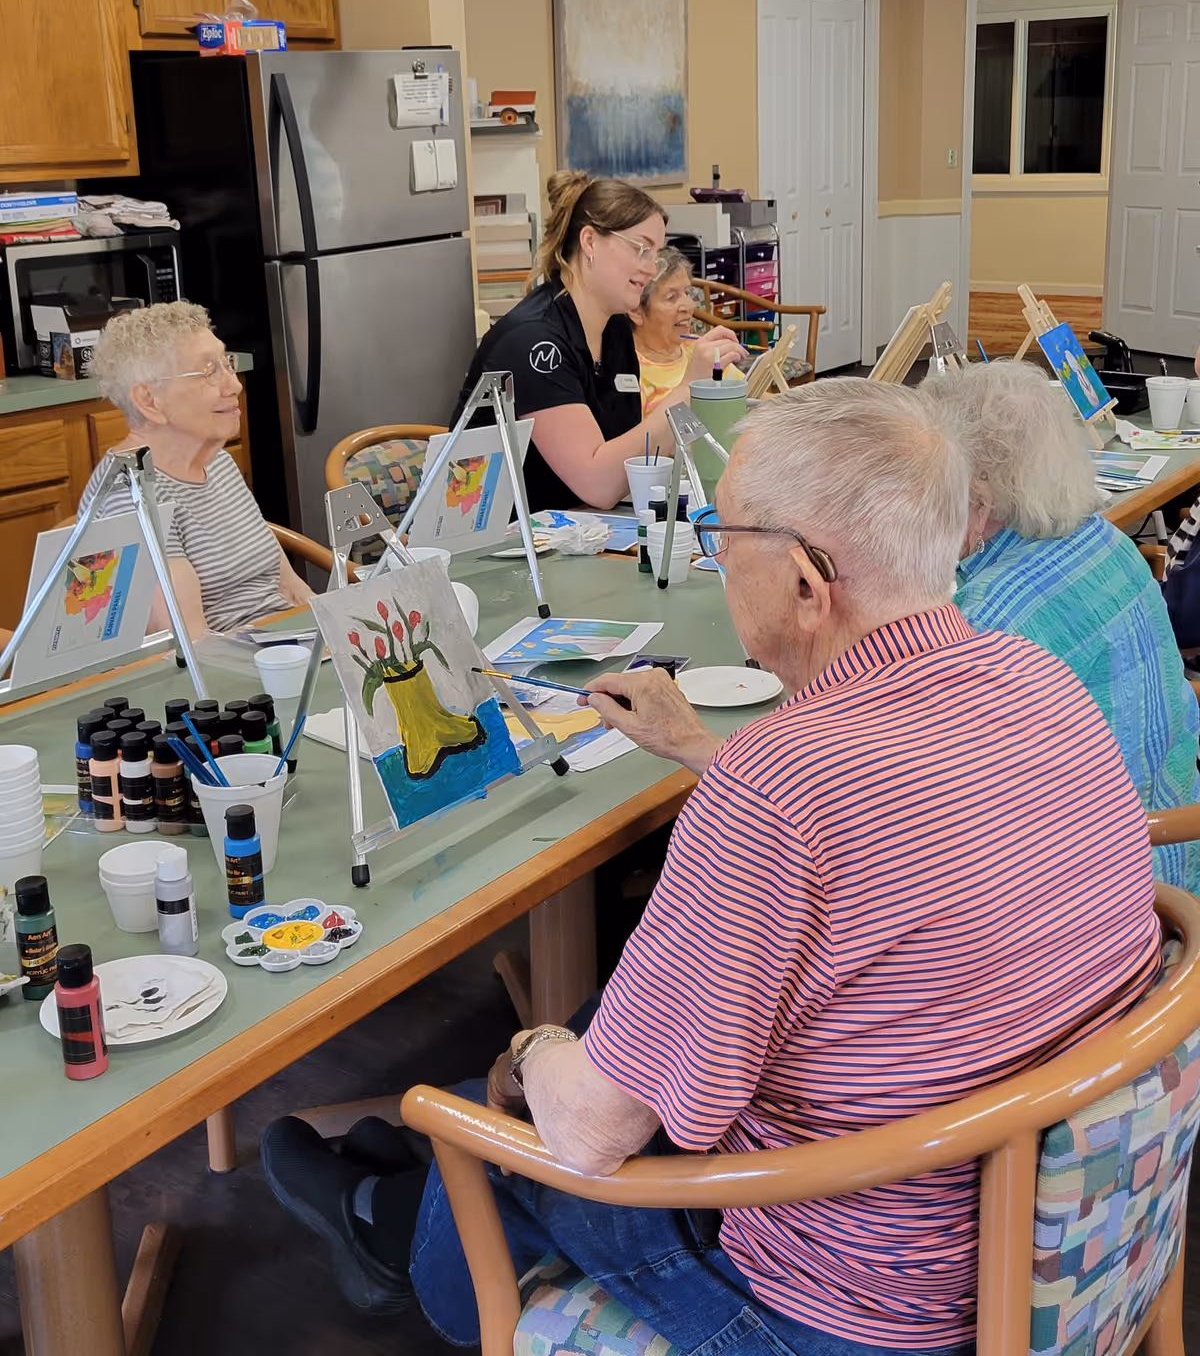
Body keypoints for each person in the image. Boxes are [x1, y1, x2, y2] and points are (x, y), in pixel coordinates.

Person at [260, 379, 1160, 1354]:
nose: (712, 558)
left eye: (721, 537)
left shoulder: (780, 792)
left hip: (853, 1312)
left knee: (516, 1105)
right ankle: (416, 1186)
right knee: (617, 1032)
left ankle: (398, 1238)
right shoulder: (1036, 679)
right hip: (1055, 1246)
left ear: (809, 583)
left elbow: (599, 1133)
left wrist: (527, 1056)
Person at [922, 359, 1200, 886]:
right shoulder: (1105, 541)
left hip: (1111, 891)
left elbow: (946, 807)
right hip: (1177, 834)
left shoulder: (989, 617)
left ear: (975, 491)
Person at [453, 171, 741, 511]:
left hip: (581, 533)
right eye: (641, 250)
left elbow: (633, 460)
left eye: (656, 254)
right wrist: (689, 388)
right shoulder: (533, 341)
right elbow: (599, 484)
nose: (651, 269)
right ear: (589, 242)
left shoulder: (616, 330)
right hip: (500, 547)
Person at [78, 300, 312, 637]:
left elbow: (290, 588)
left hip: (285, 641)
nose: (235, 386)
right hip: (243, 670)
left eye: (226, 363)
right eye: (208, 371)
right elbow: (193, 650)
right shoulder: (132, 494)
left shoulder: (217, 462)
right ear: (149, 400)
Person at [629, 245, 699, 413]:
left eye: (687, 293)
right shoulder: (631, 374)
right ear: (636, 311)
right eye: (671, 297)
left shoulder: (697, 348)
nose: (689, 306)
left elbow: (754, 395)